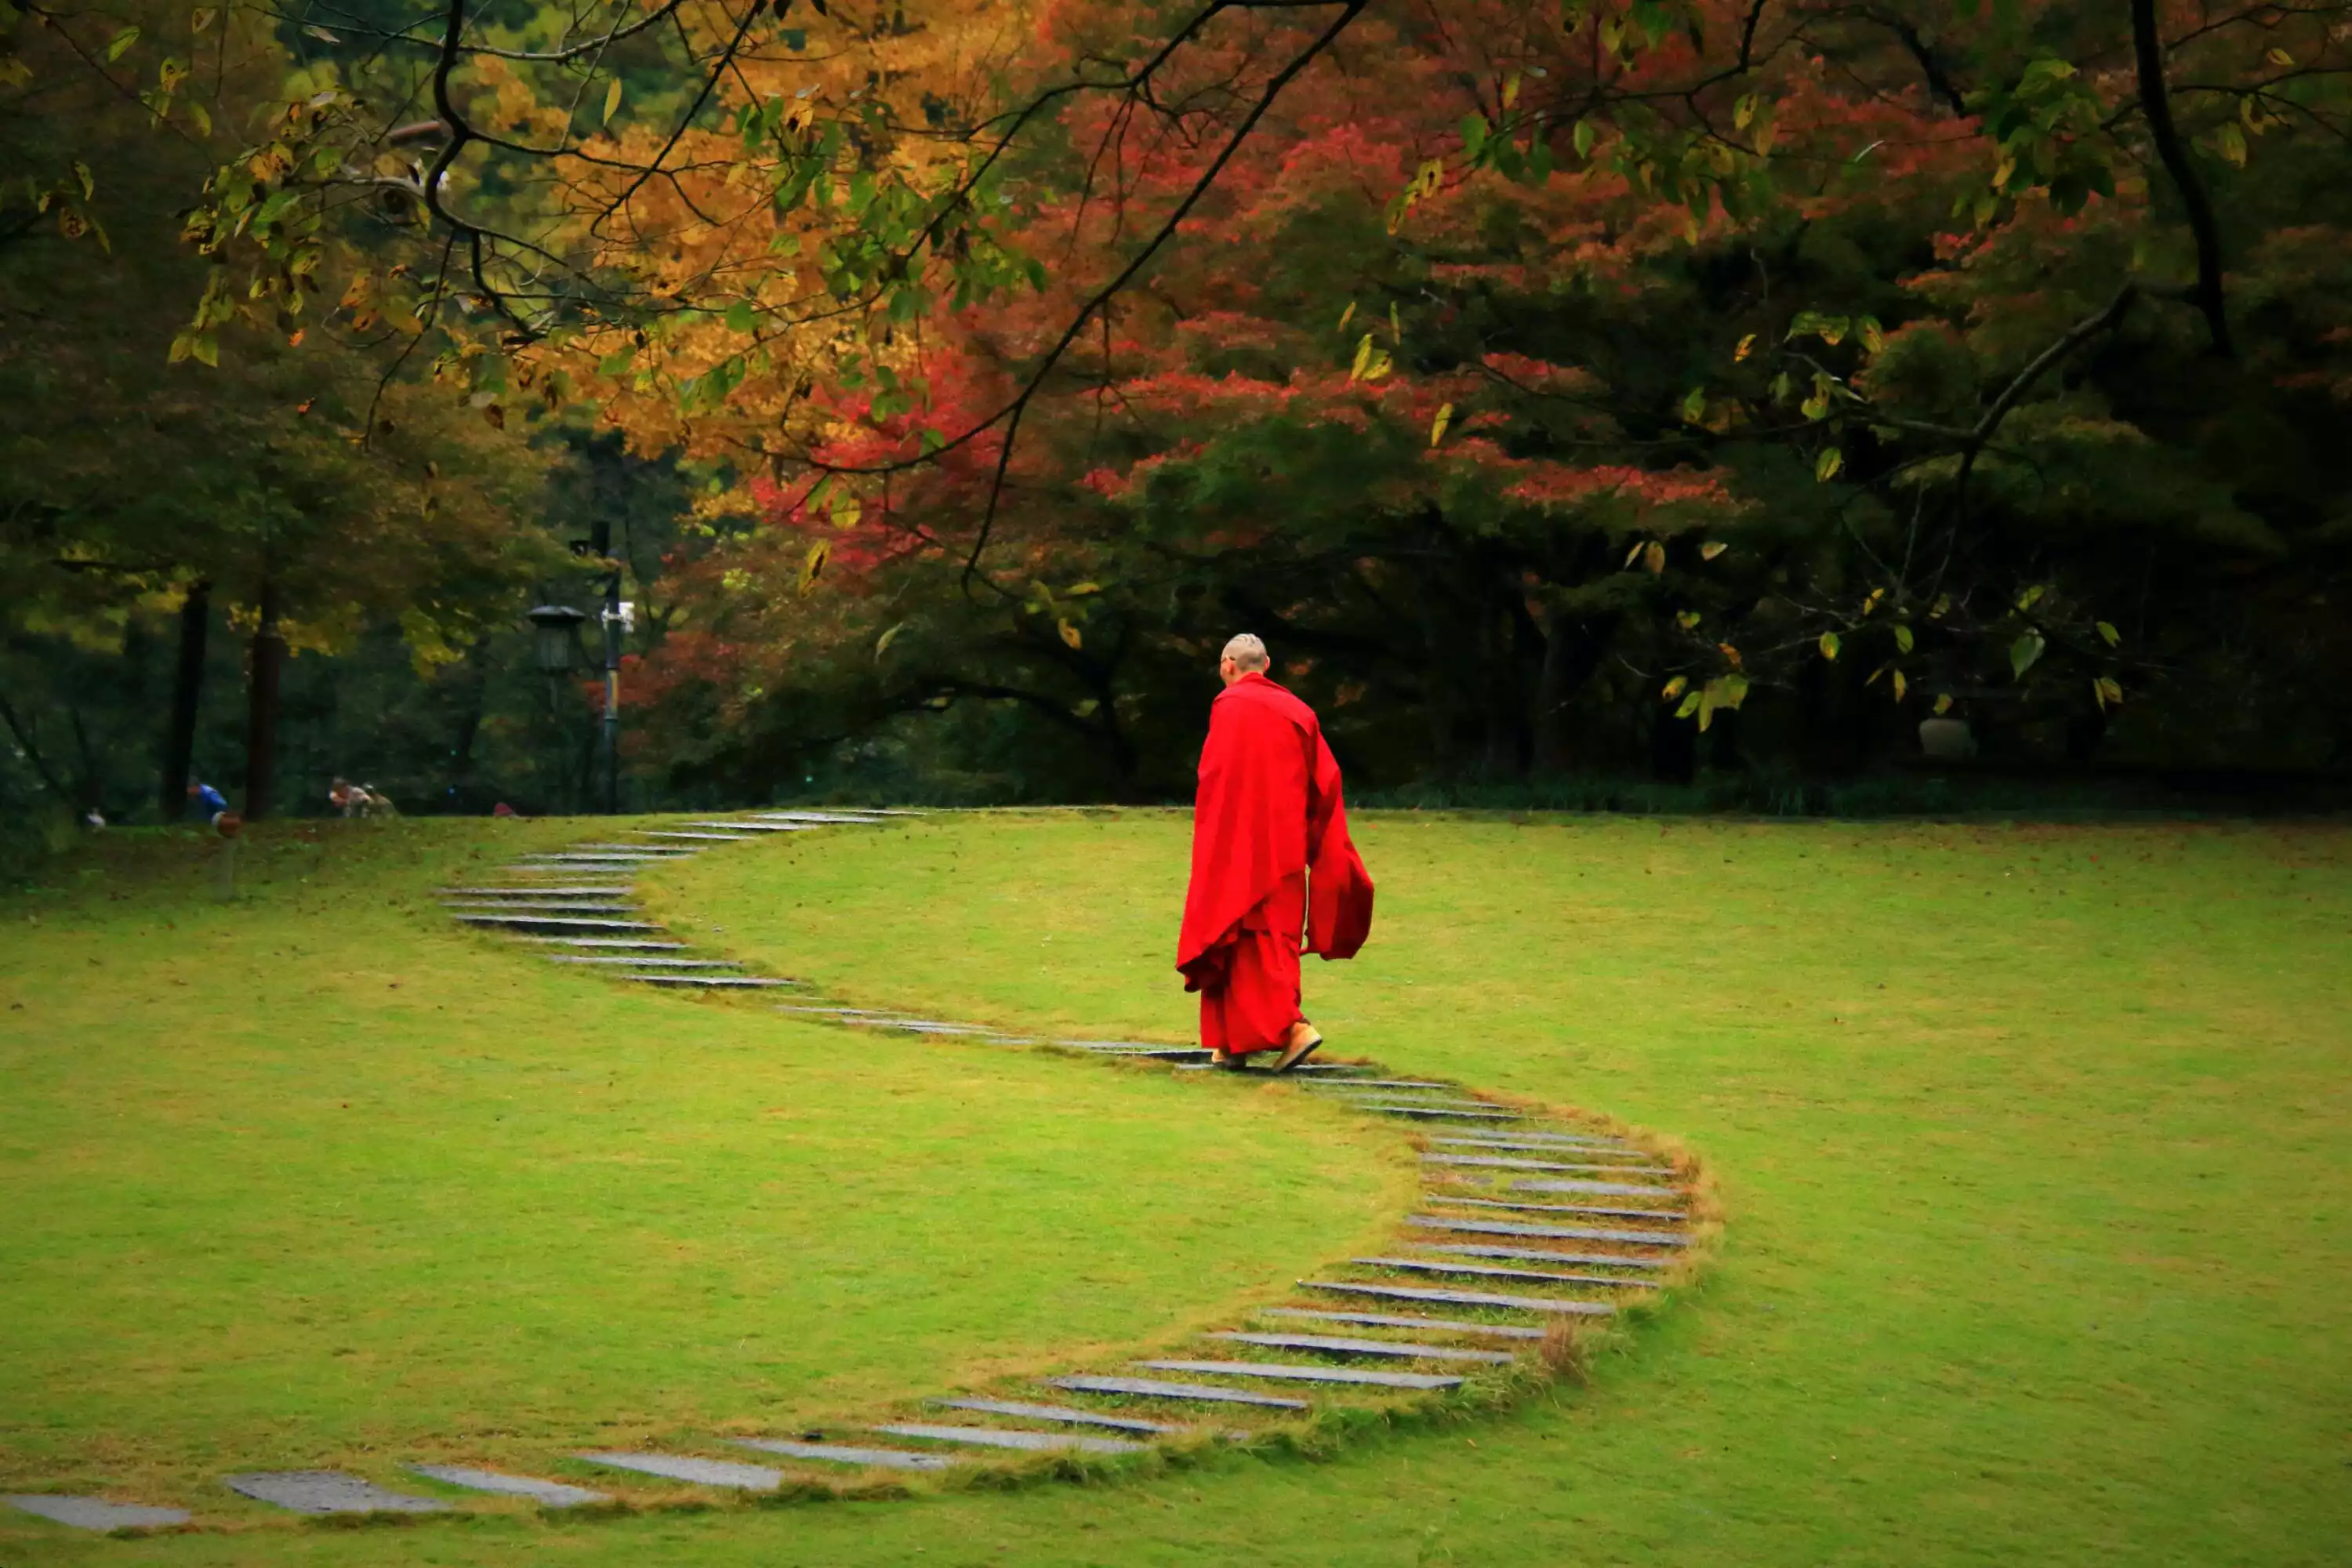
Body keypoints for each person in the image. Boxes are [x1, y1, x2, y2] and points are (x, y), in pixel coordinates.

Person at [1177, 633, 1374, 1072]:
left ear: (1229, 664)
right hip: (1285, 852)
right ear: (1266, 665)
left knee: (1240, 939)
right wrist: (1321, 847)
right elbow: (1325, 785)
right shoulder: (1300, 713)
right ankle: (1231, 1044)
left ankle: (1294, 1029)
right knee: (1272, 943)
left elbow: (1218, 783)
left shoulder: (1229, 706)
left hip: (1238, 850)